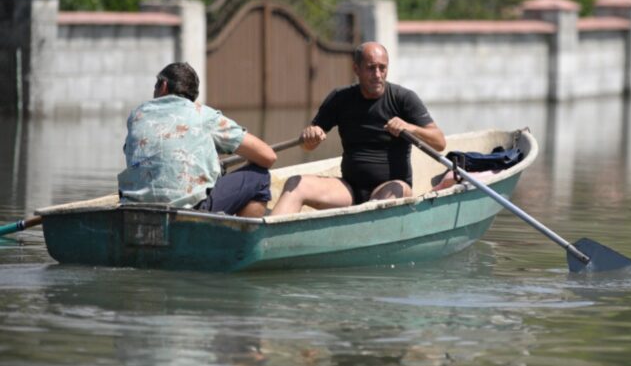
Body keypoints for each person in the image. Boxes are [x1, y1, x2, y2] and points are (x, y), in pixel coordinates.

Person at [270, 41, 446, 215]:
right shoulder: (340, 98)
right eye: (371, 68)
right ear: (356, 69)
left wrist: (409, 128)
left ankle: (366, 221)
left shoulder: (403, 98)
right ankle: (267, 239)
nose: (378, 74)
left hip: (391, 188)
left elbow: (439, 142)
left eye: (382, 68)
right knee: (295, 184)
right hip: (349, 190)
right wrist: (309, 135)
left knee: (394, 190)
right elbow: (307, 146)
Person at [118, 62, 277, 217]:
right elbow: (268, 156)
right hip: (190, 209)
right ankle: (242, 240)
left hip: (133, 206)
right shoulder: (203, 115)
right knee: (260, 177)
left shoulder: (137, 115)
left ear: (164, 85)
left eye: (155, 86)